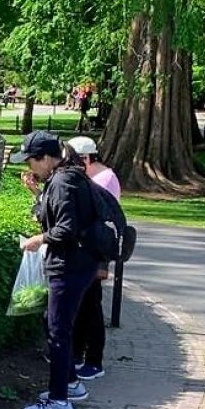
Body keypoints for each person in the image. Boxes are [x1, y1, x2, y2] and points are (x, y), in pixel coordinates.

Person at [12, 131, 100, 409]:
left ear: (47, 158)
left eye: (32, 160)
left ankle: (59, 401)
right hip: (77, 264)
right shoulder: (66, 177)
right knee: (54, 324)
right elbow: (59, 214)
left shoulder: (63, 181)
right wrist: (38, 195)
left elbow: (66, 229)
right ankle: (71, 384)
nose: (30, 167)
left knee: (57, 331)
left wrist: (37, 240)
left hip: (69, 266)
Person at [69, 136, 119, 381]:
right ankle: (77, 353)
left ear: (86, 159)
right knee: (82, 304)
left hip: (95, 251)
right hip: (85, 249)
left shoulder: (104, 180)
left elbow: (99, 218)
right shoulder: (90, 179)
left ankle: (94, 360)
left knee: (91, 306)